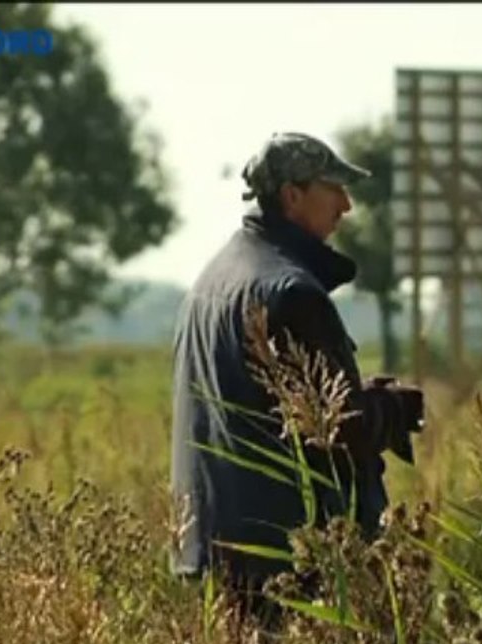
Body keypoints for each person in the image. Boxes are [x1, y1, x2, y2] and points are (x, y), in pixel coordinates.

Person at [169, 131, 424, 619]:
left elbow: (265, 404)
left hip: (212, 552)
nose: (346, 206)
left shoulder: (212, 279)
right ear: (293, 195)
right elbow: (338, 426)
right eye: (334, 189)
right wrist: (394, 408)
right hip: (286, 563)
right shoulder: (291, 291)